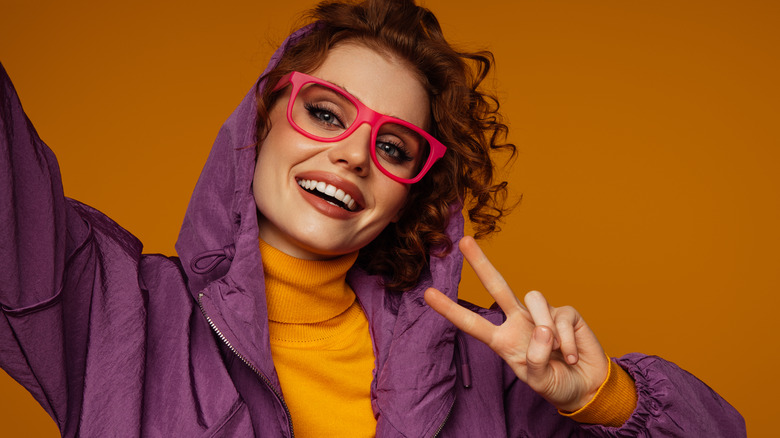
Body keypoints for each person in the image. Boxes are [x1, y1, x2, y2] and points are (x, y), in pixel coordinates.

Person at [0, 0, 745, 436]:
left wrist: (600, 395)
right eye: (325, 113)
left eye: (393, 145)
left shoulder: (490, 369)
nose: (354, 155)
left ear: (411, 196)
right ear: (259, 127)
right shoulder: (109, 310)